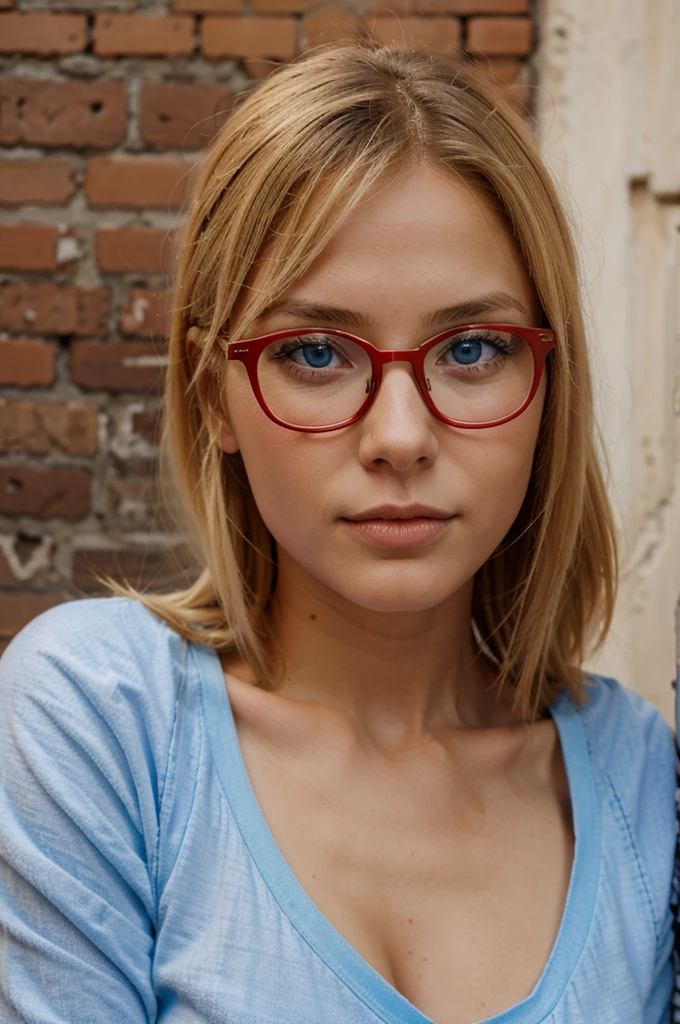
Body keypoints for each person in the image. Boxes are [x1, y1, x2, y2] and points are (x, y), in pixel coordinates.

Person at [0, 43, 675, 1024]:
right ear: (213, 396)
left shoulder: (634, 778)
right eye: (315, 352)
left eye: (471, 348)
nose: (399, 436)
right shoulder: (101, 719)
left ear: (547, 386)